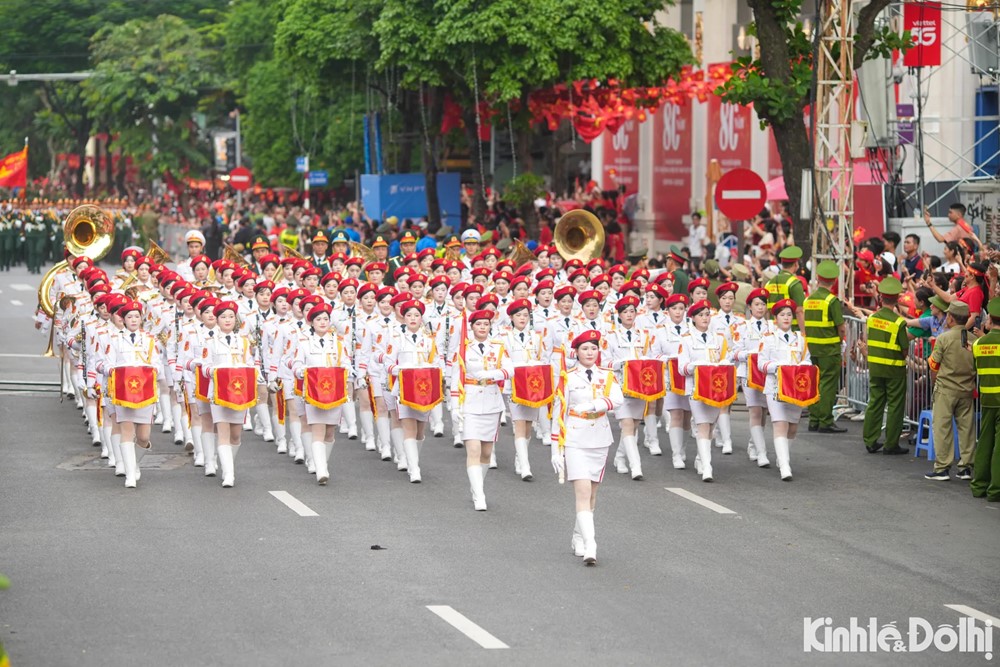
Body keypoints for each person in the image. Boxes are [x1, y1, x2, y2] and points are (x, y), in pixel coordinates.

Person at [550, 329, 624, 566]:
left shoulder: (607, 375)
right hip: (575, 439)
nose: (590, 352)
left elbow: (618, 399)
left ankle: (578, 535)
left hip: (600, 439)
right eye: (585, 349)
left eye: (593, 348)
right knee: (582, 492)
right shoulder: (568, 377)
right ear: (576, 352)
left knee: (591, 495)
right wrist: (555, 450)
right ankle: (591, 545)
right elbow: (557, 414)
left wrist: (595, 404)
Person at [455, 309, 513, 510]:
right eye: (478, 324)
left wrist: (490, 374)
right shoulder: (464, 348)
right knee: (473, 449)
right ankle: (479, 495)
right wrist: (455, 407)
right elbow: (456, 378)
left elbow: (510, 370)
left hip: (491, 401)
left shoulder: (498, 347)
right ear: (472, 327)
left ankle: (476, 485)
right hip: (470, 401)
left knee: (486, 453)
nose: (482, 328)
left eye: (486, 324)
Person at [101, 300, 161, 488]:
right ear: (123, 320)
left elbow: (158, 365)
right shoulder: (115, 339)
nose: (133, 320)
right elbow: (105, 363)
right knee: (126, 431)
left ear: (141, 318)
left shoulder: (150, 340)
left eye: (136, 316)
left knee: (143, 437)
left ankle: (134, 463)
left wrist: (148, 370)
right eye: (129, 317)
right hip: (123, 392)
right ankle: (130, 474)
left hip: (145, 392)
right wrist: (115, 371)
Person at [199, 300, 259, 487]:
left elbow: (251, 363)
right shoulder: (209, 341)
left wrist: (251, 372)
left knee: (236, 435)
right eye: (223, 317)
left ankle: (226, 463)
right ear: (216, 320)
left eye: (231, 316)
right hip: (219, 392)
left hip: (240, 393)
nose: (227, 320)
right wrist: (217, 372)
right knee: (223, 431)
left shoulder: (243, 341)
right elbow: (205, 367)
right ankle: (228, 474)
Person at [292, 302, 352, 485]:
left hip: (334, 391)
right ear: (311, 322)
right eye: (318, 319)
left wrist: (346, 370)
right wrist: (302, 371)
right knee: (318, 429)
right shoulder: (303, 342)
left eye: (326, 319)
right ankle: (321, 470)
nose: (323, 322)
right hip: (313, 391)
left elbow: (346, 363)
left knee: (329, 433)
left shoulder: (338, 342)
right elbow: (295, 364)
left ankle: (322, 463)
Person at [678, 299, 732, 482]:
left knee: (711, 426)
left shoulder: (719, 338)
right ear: (693, 318)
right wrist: (695, 366)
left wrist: (724, 363)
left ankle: (701, 459)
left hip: (716, 388)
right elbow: (681, 368)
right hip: (696, 388)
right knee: (702, 424)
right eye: (700, 315)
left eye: (707, 314)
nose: (705, 318)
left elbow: (726, 359)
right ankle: (708, 468)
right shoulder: (686, 339)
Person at [758, 298, 811, 480]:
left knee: (793, 427)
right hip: (775, 387)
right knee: (780, 423)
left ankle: (783, 458)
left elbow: (808, 360)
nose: (786, 318)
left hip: (795, 389)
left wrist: (802, 365)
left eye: (789, 315)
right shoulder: (768, 339)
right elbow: (761, 364)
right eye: (782, 315)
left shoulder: (800, 339)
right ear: (776, 318)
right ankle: (785, 466)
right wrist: (779, 367)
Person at [925, 301, 978, 481]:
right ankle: (966, 467)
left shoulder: (944, 338)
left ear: (951, 318)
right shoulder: (974, 340)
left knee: (942, 427)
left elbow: (934, 363)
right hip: (967, 389)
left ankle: (942, 468)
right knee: (967, 429)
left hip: (946, 389)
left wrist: (929, 359)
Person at [862, 277, 909, 455]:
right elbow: (904, 350)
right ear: (897, 299)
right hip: (894, 369)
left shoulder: (872, 318)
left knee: (875, 402)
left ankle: (870, 440)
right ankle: (891, 444)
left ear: (880, 297)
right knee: (895, 405)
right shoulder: (899, 322)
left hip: (875, 367)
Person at [804, 260, 847, 433]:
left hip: (812, 348)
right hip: (829, 349)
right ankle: (825, 421)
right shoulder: (831, 301)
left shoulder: (808, 300)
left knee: (814, 383)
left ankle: (814, 419)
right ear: (834, 280)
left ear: (817, 278)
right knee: (828, 385)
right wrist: (840, 341)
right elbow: (841, 327)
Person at [732, 287, 772, 466]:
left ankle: (753, 443)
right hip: (748, 372)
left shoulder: (772, 327)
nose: (760, 308)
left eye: (763, 304)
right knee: (755, 410)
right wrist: (750, 355)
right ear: (749, 306)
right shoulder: (742, 327)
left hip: (766, 373)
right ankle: (762, 452)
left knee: (763, 411)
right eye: (757, 304)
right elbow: (735, 351)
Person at [972, 298, 1000, 501]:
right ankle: (995, 490)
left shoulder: (978, 343)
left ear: (990, 319)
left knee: (984, 441)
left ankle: (979, 485)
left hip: (986, 397)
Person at [765, 246, 806, 334]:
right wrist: (804, 334)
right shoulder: (794, 283)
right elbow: (799, 312)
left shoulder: (769, 283)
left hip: (774, 331)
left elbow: (767, 311)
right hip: (792, 331)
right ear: (796, 264)